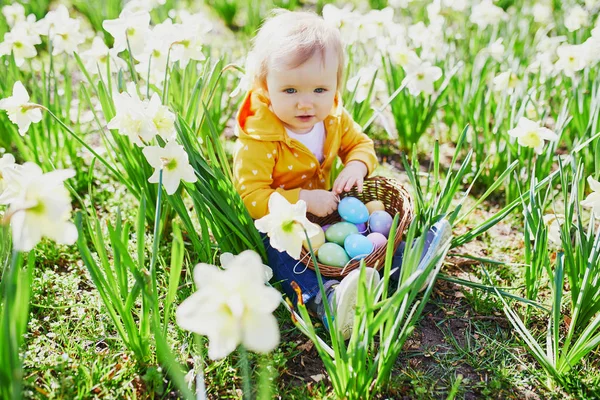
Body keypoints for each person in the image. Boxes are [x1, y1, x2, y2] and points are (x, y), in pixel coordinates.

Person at [233, 10, 451, 340]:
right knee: (283, 255)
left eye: (319, 89)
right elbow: (252, 197)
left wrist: (355, 166)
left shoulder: (333, 117)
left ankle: (405, 264)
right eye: (290, 91)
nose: (306, 104)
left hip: (328, 209)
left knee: (367, 231)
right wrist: (302, 200)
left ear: (336, 84)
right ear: (265, 88)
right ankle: (327, 299)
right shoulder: (260, 138)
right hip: (282, 224)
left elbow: (361, 144)